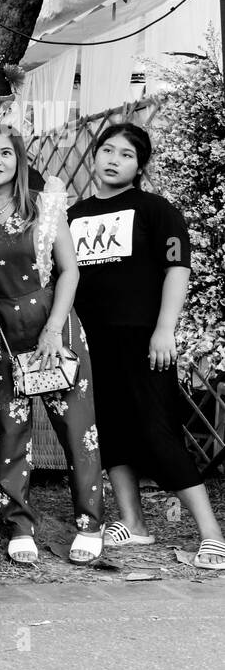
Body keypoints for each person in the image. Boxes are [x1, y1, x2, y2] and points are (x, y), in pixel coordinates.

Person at [68, 123, 225, 569]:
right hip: (91, 341)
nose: (114, 159)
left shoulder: (156, 210)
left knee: (158, 432)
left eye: (127, 154)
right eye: (107, 150)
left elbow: (178, 269)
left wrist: (165, 329)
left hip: (144, 338)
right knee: (112, 432)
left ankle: (212, 534)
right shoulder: (73, 216)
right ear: (95, 156)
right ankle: (133, 523)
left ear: (139, 166)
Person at [0, 126, 103, 565]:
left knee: (77, 429)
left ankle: (90, 524)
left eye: (6, 152)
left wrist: (53, 328)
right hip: (3, 331)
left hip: (54, 325)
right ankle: (19, 524)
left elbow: (70, 270)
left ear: (20, 160)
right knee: (9, 430)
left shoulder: (44, 206)